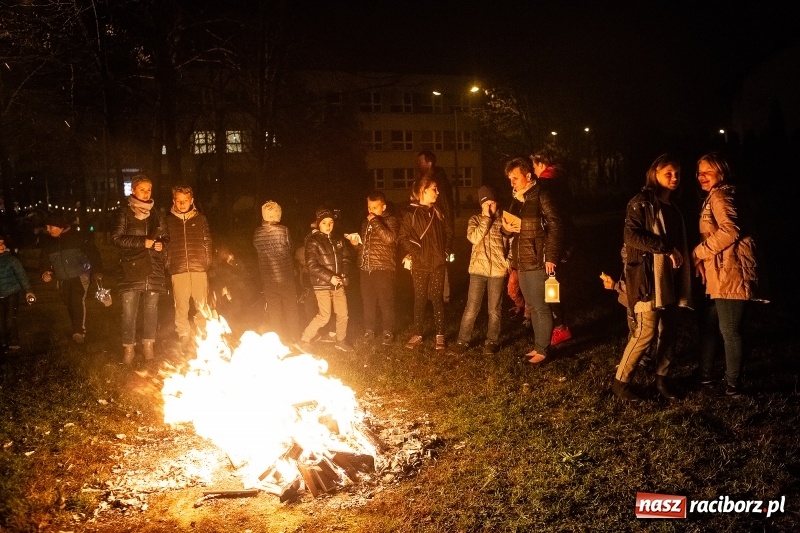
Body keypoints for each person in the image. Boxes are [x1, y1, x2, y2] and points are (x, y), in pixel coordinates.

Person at [612, 154, 693, 401]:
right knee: (645, 332)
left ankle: (662, 379)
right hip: (649, 277)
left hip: (673, 276)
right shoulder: (642, 202)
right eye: (668, 173)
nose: (674, 177)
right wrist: (665, 248)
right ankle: (621, 382)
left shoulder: (674, 206)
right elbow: (632, 236)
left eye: (677, 173)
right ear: (654, 173)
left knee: (669, 330)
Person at [692, 152, 767, 397]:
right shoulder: (717, 195)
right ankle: (705, 378)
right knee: (710, 325)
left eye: (708, 172)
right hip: (720, 272)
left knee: (730, 330)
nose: (701, 177)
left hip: (731, 272)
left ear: (721, 173)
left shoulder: (722, 195)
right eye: (699, 172)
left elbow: (731, 230)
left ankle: (732, 385)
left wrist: (699, 252)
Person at [502, 157, 564, 364]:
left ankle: (544, 350)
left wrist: (551, 257)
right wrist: (506, 229)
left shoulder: (541, 194)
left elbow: (555, 225)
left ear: (528, 176)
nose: (512, 183)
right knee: (532, 304)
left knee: (541, 305)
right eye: (510, 179)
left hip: (538, 259)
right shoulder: (518, 199)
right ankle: (539, 346)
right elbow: (510, 225)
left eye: (515, 178)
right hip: (522, 259)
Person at [112, 175, 168, 364]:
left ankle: (148, 347)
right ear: (133, 190)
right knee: (129, 311)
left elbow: (165, 237)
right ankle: (128, 349)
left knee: (151, 310)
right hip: (131, 268)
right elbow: (116, 239)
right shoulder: (124, 213)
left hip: (153, 268)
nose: (146, 192)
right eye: (142, 189)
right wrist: (141, 242)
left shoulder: (157, 215)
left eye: (149, 189)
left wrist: (161, 244)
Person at [399, 175, 452, 351]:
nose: (437, 192)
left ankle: (440, 335)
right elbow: (403, 237)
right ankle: (418, 333)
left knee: (436, 298)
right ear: (423, 191)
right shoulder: (411, 213)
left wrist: (445, 251)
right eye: (434, 189)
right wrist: (417, 253)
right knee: (420, 298)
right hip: (420, 264)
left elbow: (448, 232)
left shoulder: (438, 211)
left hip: (437, 263)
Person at [451, 185, 506, 355]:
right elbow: (474, 238)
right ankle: (462, 341)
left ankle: (492, 341)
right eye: (485, 204)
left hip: (497, 271)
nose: (490, 207)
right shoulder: (475, 220)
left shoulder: (504, 221)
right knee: (471, 308)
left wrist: (508, 262)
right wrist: (486, 218)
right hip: (477, 270)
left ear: (497, 203)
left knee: (494, 309)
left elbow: (511, 244)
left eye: (492, 203)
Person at [531, 148, 576, 346]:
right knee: (554, 282)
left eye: (534, 166)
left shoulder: (545, 185)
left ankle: (559, 325)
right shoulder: (563, 182)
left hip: (553, 242)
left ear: (542, 164)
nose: (533, 170)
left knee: (551, 283)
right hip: (567, 241)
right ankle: (559, 322)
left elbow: (553, 220)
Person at [38, 212, 103, 344]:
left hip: (79, 276)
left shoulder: (77, 238)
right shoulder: (49, 242)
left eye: (51, 226)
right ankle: (76, 327)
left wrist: (96, 271)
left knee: (77, 301)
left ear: (61, 226)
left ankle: (79, 331)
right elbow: (44, 260)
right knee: (68, 303)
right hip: (62, 279)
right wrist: (45, 271)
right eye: (47, 227)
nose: (48, 230)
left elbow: (93, 254)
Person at [297, 207, 354, 353]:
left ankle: (340, 340)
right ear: (318, 224)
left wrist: (344, 275)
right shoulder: (313, 241)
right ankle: (304, 339)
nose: (328, 226)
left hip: (338, 285)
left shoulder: (338, 240)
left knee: (343, 314)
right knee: (324, 316)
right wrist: (330, 277)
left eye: (331, 222)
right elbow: (311, 265)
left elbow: (346, 258)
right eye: (324, 223)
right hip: (322, 285)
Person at [346, 191, 400, 346]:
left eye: (375, 207)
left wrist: (375, 221)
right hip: (366, 269)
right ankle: (369, 330)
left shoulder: (391, 220)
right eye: (369, 207)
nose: (371, 211)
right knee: (368, 301)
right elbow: (367, 247)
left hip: (383, 268)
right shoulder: (366, 223)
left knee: (385, 301)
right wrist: (357, 245)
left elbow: (389, 239)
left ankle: (388, 332)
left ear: (383, 207)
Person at [164, 186, 212, 347]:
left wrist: (206, 262)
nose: (182, 203)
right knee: (181, 305)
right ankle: (183, 333)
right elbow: (165, 244)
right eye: (179, 201)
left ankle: (202, 331)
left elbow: (207, 241)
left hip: (198, 268)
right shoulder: (168, 221)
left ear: (192, 200)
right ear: (174, 201)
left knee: (201, 303)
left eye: (185, 200)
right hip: (178, 269)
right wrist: (168, 262)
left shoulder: (200, 219)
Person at [253, 200, 301, 344]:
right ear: (278, 216)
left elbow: (257, 249)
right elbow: (290, 247)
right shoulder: (283, 230)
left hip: (267, 278)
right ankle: (295, 337)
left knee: (274, 310)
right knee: (291, 307)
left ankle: (277, 339)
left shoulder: (257, 233)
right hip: (285, 276)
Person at [417, 151, 454, 303]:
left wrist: (444, 223)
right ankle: (429, 294)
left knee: (439, 257)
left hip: (438, 222)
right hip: (429, 221)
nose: (418, 165)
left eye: (421, 161)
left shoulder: (438, 180)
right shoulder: (426, 179)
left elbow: (445, 203)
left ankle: (443, 295)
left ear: (429, 162)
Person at [0, 234, 35, 353]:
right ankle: (3, 342)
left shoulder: (11, 260)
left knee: (10, 318)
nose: (2, 246)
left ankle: (13, 341)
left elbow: (22, 276)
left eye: (3, 243)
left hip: (11, 293)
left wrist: (28, 291)